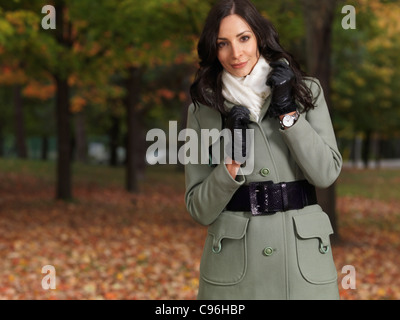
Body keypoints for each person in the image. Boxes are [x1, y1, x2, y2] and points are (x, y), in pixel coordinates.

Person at [184, 0, 342, 300]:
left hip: (303, 268)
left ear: (259, 36)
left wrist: (288, 114)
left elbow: (325, 174)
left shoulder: (306, 92)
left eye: (244, 38)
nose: (236, 53)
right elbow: (198, 208)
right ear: (213, 50)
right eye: (223, 44)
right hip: (234, 272)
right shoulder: (202, 110)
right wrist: (232, 159)